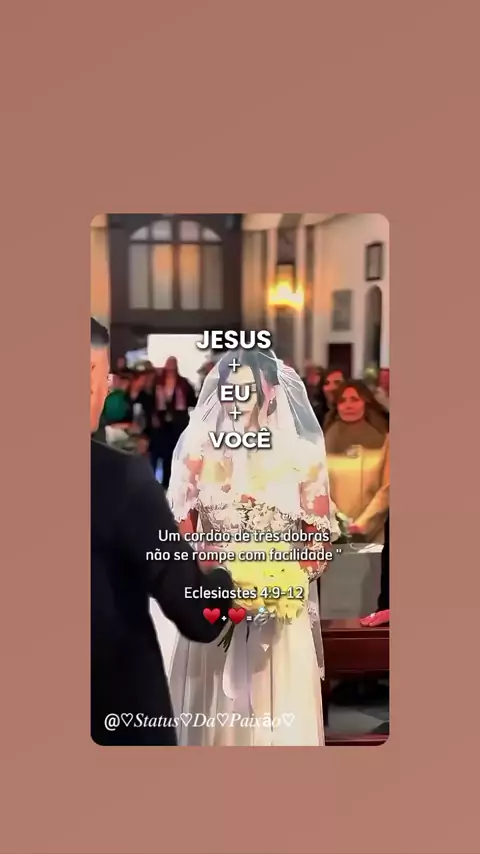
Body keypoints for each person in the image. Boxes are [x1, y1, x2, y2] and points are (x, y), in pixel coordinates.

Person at [166, 347, 335, 746]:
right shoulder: (196, 454)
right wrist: (213, 577)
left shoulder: (304, 457)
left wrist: (285, 583)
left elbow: (318, 543)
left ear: (270, 391)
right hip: (214, 610)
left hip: (279, 622)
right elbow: (180, 535)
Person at [90, 318, 234, 746]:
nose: (108, 390)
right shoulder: (120, 479)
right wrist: (223, 574)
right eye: (104, 376)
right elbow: (196, 611)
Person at [324, 380, 389, 542]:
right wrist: (337, 520)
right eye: (342, 401)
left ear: (366, 403)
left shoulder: (385, 440)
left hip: (375, 532)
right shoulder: (323, 440)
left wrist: (362, 524)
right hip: (333, 531)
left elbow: (387, 488)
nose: (348, 405)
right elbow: (317, 486)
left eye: (354, 399)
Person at [150, 357, 197, 487]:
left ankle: (174, 483)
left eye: (173, 365)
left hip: (178, 422)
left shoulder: (183, 383)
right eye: (169, 364)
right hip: (161, 423)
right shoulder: (158, 383)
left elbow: (193, 401)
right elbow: (151, 402)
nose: (170, 367)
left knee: (177, 453)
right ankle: (161, 483)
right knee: (162, 453)